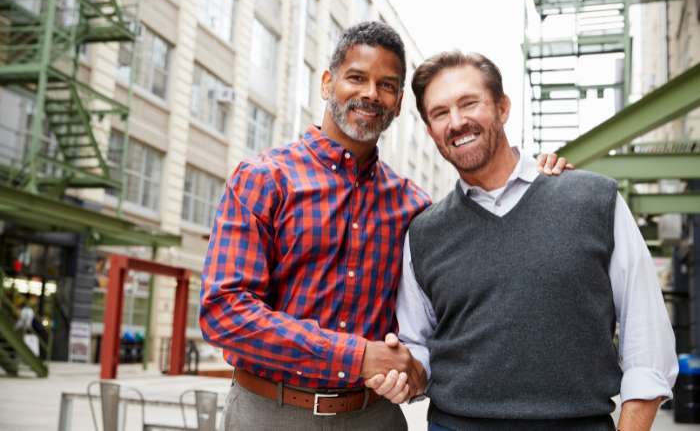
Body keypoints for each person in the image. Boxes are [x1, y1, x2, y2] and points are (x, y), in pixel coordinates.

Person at [200, 23, 567, 430]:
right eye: (356, 78)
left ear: (396, 107)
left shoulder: (414, 207)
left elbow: (442, 316)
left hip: (375, 417)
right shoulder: (263, 179)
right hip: (271, 413)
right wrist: (355, 357)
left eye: (387, 86)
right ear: (327, 83)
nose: (371, 94)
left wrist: (536, 179)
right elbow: (225, 312)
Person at [366, 51, 678, 431]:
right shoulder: (424, 233)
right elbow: (419, 347)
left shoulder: (595, 201)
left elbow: (647, 344)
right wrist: (405, 376)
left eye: (469, 103)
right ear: (430, 131)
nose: (457, 121)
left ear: (502, 107)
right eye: (440, 113)